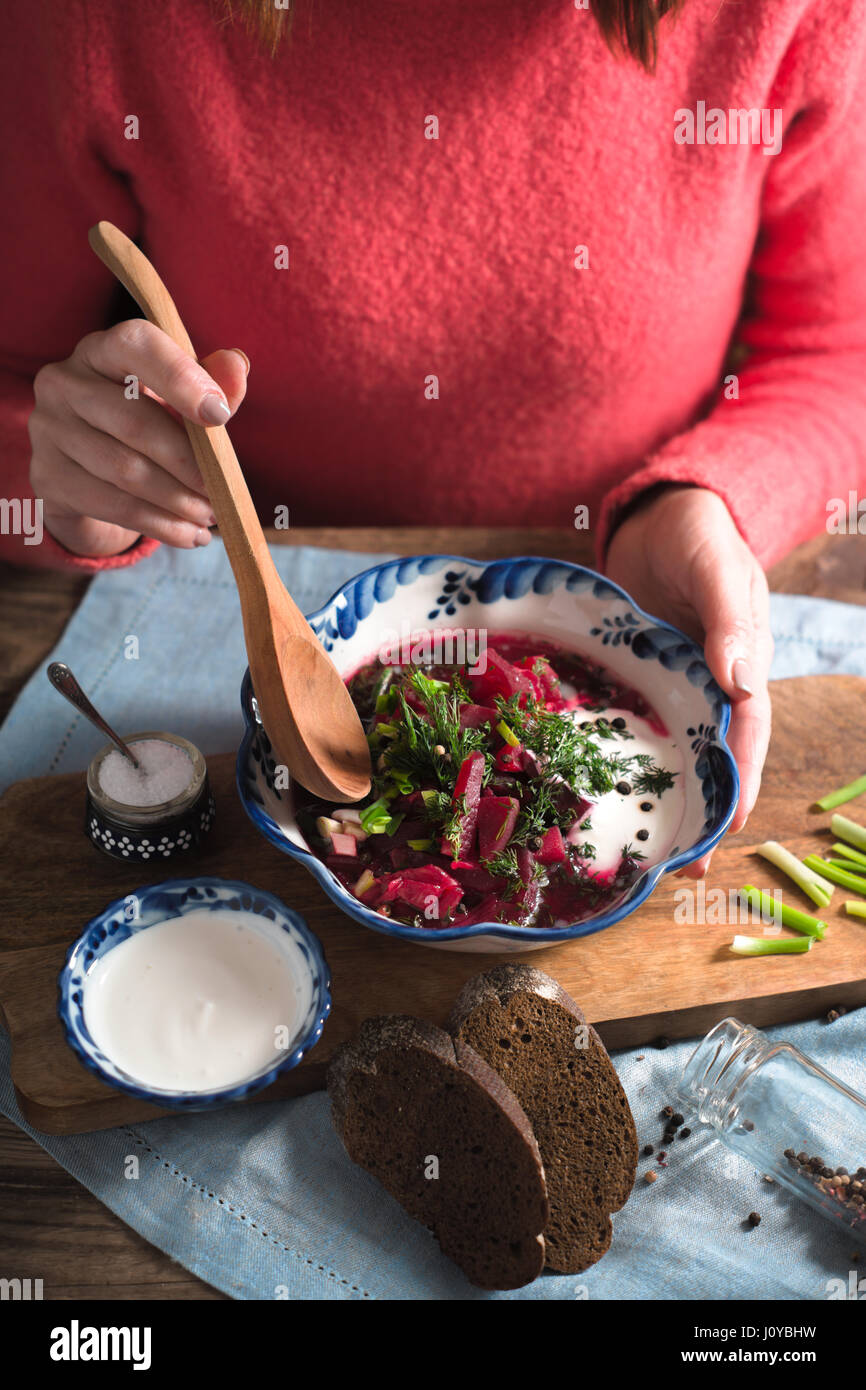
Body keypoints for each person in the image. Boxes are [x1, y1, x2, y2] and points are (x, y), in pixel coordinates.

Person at [2, 0, 865, 875]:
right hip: (222, 584)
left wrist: (701, 499)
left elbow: (838, 355)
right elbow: (16, 391)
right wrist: (77, 487)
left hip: (631, 577)